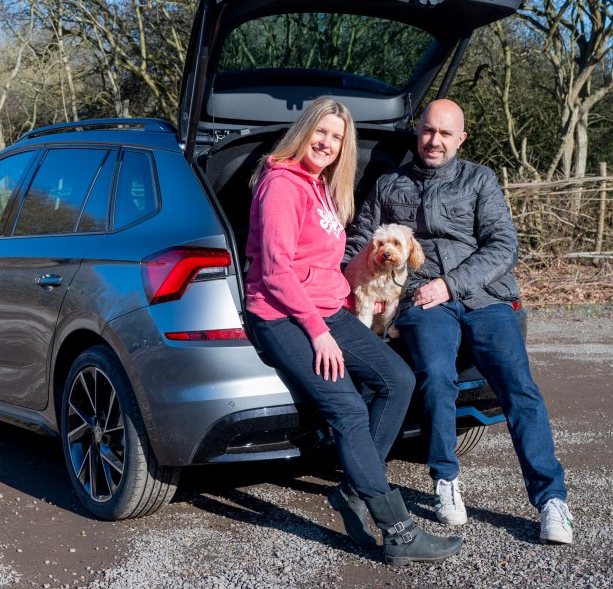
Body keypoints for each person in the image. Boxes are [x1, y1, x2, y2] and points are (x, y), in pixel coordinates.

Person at [245, 95, 462, 565]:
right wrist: (319, 331)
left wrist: (347, 305)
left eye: (337, 137)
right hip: (281, 315)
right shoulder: (282, 184)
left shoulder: (321, 186)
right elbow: (278, 272)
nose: (327, 143)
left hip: (327, 310)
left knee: (397, 380)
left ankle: (353, 492)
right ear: (304, 131)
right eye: (321, 132)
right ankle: (398, 531)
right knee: (346, 407)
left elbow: (321, 266)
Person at [345, 98, 574, 545]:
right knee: (435, 372)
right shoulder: (390, 185)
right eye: (429, 131)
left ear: (461, 139)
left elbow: (504, 243)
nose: (435, 141)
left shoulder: (478, 179)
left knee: (517, 384)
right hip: (419, 298)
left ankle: (551, 500)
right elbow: (359, 238)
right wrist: (356, 281)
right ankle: (445, 478)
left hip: (484, 296)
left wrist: (453, 284)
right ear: (418, 132)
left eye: (446, 134)